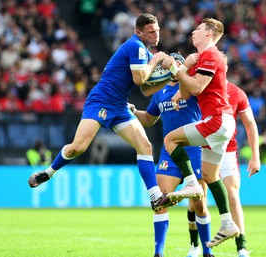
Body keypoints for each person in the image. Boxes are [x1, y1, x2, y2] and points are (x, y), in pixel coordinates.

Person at [28, 13, 174, 212]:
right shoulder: (136, 46)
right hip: (101, 102)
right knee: (77, 148)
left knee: (145, 146)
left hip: (120, 106)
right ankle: (49, 172)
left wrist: (169, 76)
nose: (156, 35)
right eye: (150, 32)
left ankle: (155, 196)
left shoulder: (145, 54)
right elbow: (140, 79)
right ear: (138, 32)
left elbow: (146, 89)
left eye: (157, 31)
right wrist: (156, 59)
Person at [160, 17, 259, 247]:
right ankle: (227, 224)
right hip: (221, 124)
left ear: (209, 33)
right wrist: (184, 66)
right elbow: (185, 93)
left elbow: (196, 87)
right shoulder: (200, 59)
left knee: (170, 139)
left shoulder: (212, 54)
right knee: (210, 175)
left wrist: (175, 67)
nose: (193, 32)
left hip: (216, 119)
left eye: (197, 29)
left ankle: (190, 183)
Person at [129, 52, 214, 257]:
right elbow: (150, 119)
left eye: (178, 63)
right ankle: (158, 253)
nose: (173, 67)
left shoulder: (191, 87)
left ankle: (207, 251)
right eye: (171, 64)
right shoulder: (160, 92)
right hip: (170, 154)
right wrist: (133, 111)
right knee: (160, 202)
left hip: (194, 150)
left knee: (199, 205)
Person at [186, 53, 260, 257]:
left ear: (224, 68)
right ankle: (196, 246)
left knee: (233, 195)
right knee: (197, 200)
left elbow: (250, 124)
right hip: (204, 146)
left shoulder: (237, 93)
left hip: (228, 150)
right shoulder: (200, 86)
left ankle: (242, 246)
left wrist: (256, 155)